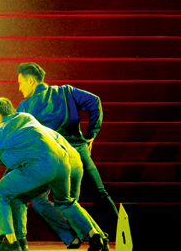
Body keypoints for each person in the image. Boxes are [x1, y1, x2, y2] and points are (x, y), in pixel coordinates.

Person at [0, 98, 108, 251]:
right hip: (63, 162)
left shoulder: (0, 130)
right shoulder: (26, 117)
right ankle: (95, 236)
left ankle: (11, 242)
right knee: (66, 202)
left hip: (40, 166)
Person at [15, 62, 117, 232]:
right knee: (99, 193)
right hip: (79, 150)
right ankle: (124, 234)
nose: (19, 88)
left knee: (47, 201)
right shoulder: (66, 91)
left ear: (31, 81)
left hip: (54, 159)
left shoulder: (24, 108)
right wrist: (91, 134)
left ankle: (79, 234)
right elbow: (94, 101)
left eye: (20, 83)